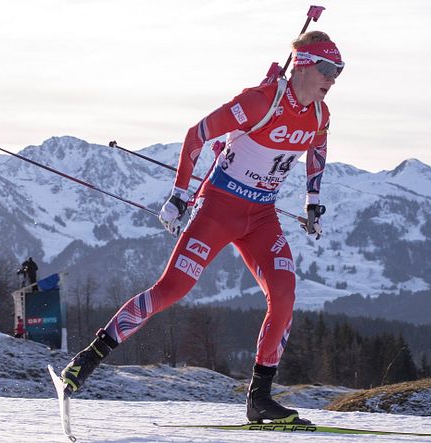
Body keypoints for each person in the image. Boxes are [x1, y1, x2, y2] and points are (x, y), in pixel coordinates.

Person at [60, 31, 343, 424]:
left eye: (340, 71)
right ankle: (87, 359)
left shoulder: (319, 115)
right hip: (218, 209)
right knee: (171, 290)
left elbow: (317, 150)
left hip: (262, 216)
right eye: (328, 69)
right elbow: (197, 134)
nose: (334, 79)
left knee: (284, 294)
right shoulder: (260, 101)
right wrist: (179, 195)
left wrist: (313, 201)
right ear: (305, 65)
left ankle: (259, 398)